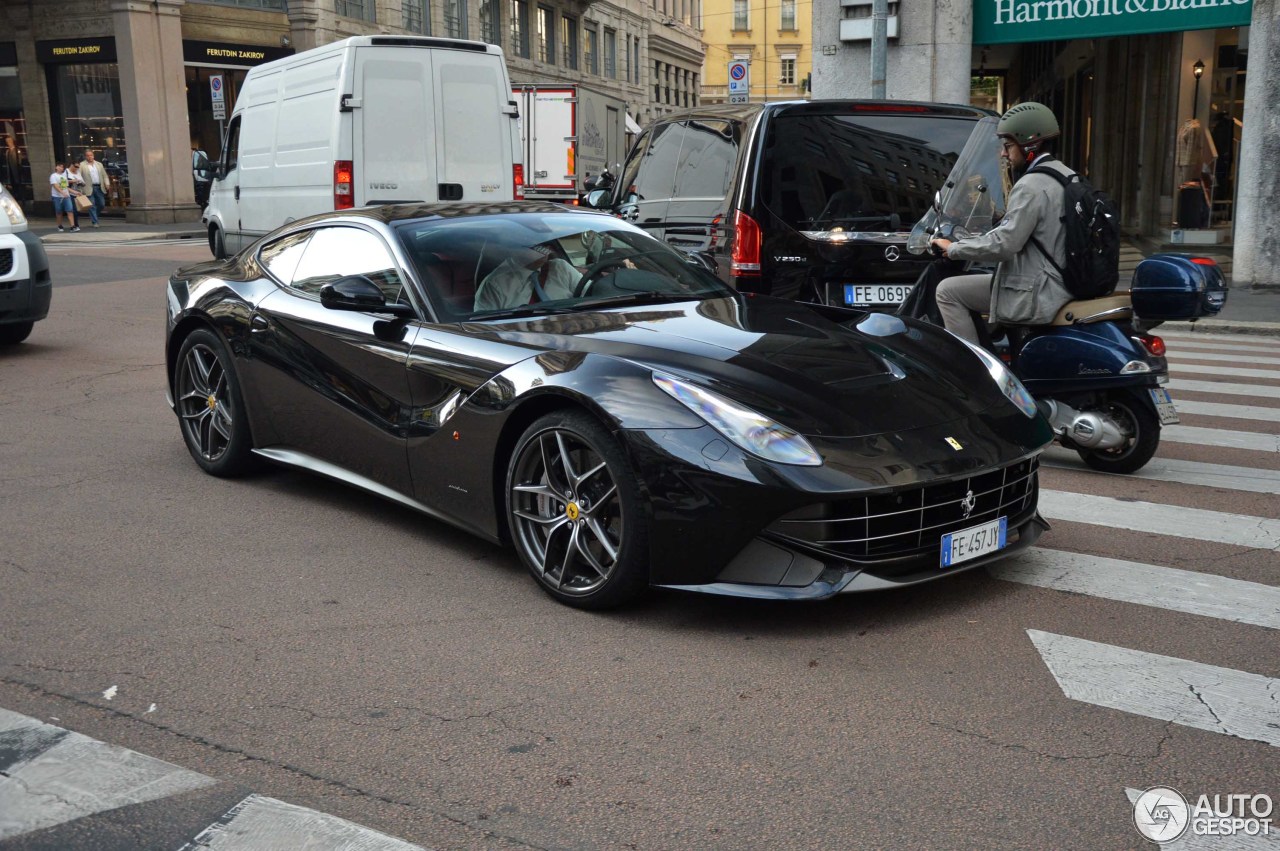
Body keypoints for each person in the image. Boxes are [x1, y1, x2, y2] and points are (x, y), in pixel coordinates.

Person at [929, 101, 1074, 345]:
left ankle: (975, 372)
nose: (1004, 154)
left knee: (948, 291)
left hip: (1041, 289)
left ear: (1030, 145)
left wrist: (953, 248)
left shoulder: (1031, 185)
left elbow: (1005, 244)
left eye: (1008, 146)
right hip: (1063, 281)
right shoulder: (1066, 175)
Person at [474, 242, 582, 312]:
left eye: (546, 245)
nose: (544, 250)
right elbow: (483, 327)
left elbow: (592, 291)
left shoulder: (561, 268)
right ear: (515, 250)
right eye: (536, 246)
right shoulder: (494, 284)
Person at [78, 149, 111, 224]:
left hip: (99, 187)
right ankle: (95, 222)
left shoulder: (99, 164)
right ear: (85, 156)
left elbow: (104, 175)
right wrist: (80, 188)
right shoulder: (82, 165)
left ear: (93, 155)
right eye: (88, 155)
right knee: (91, 205)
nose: (90, 157)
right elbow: (78, 176)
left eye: (91, 155)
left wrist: (107, 183)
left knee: (101, 204)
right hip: (88, 187)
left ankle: (94, 216)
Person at [49, 163, 79, 232]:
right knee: (59, 211)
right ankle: (59, 225)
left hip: (66, 196)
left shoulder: (64, 176)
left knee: (70, 210)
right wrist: (62, 192)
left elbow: (66, 187)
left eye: (62, 167)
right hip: (57, 196)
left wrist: (75, 192)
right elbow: (55, 186)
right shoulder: (53, 176)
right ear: (56, 167)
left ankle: (72, 226)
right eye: (59, 166)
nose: (61, 168)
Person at [66, 162, 97, 228]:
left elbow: (83, 183)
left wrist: (80, 182)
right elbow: (62, 182)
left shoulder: (78, 173)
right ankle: (75, 225)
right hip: (69, 193)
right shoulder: (66, 172)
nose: (77, 168)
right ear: (71, 165)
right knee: (72, 209)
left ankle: (75, 224)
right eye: (75, 167)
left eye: (78, 167)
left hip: (78, 192)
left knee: (77, 209)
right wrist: (72, 181)